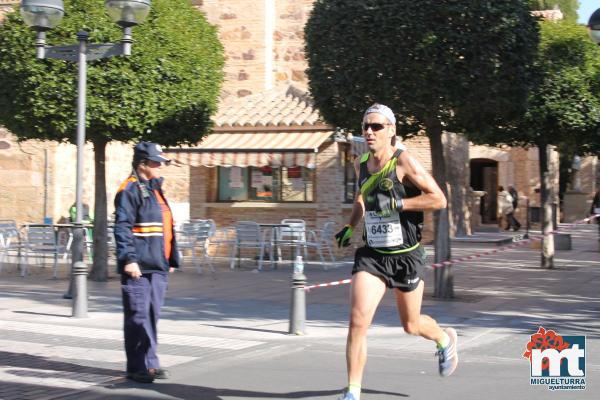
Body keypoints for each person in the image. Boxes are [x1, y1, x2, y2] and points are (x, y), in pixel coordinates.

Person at [334, 104, 456, 400]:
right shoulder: (360, 162)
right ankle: (352, 392)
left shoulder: (405, 161)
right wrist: (351, 226)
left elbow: (438, 199)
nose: (369, 132)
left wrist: (399, 205)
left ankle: (443, 338)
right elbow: (363, 197)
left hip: (406, 255)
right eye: (365, 126)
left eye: (376, 126)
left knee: (411, 325)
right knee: (357, 321)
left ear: (391, 130)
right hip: (373, 255)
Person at [114, 141, 180, 383]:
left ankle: (151, 364)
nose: (160, 166)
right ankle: (137, 366)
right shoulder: (129, 190)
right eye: (156, 162)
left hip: (157, 264)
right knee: (138, 316)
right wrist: (129, 259)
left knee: (151, 316)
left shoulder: (154, 188)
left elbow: (166, 226)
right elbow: (122, 228)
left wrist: (170, 257)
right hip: (138, 266)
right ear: (142, 164)